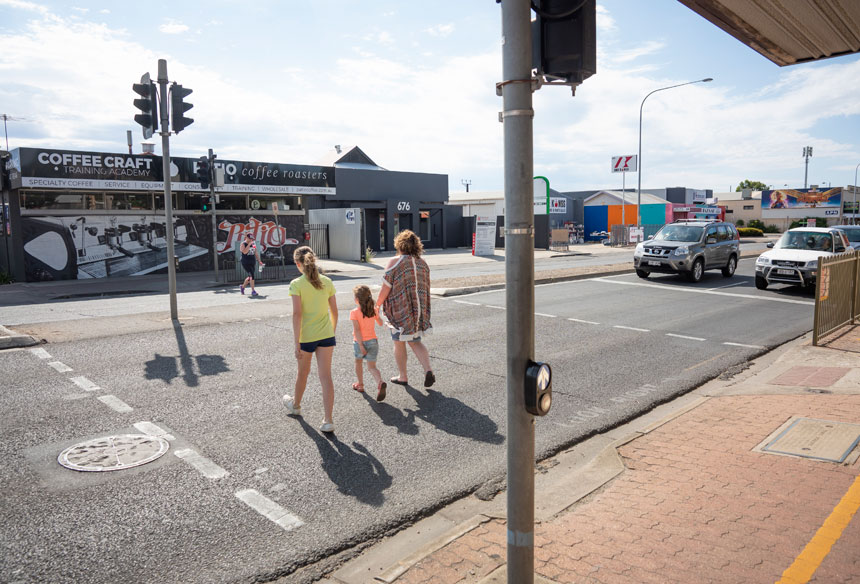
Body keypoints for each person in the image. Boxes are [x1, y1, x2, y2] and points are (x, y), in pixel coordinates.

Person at [283, 246, 338, 433]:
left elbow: (297, 314)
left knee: (303, 374)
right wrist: (332, 331)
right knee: (326, 377)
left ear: (298, 264)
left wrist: (296, 342)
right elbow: (335, 312)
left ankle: (296, 405)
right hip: (326, 335)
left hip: (306, 337)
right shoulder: (327, 282)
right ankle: (328, 420)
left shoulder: (296, 284)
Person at [375, 229, 435, 388]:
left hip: (400, 310)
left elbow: (386, 287)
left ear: (399, 244)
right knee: (416, 342)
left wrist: (377, 305)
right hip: (418, 310)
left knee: (399, 342)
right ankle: (428, 369)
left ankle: (403, 376)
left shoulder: (395, 262)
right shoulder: (423, 263)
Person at [350, 285, 387, 402]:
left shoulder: (354, 312)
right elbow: (381, 323)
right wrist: (378, 313)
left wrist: (361, 345)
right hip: (373, 342)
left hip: (359, 342)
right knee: (372, 367)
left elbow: (357, 330)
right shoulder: (373, 310)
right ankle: (380, 382)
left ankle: (360, 384)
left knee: (358, 362)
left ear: (357, 299)